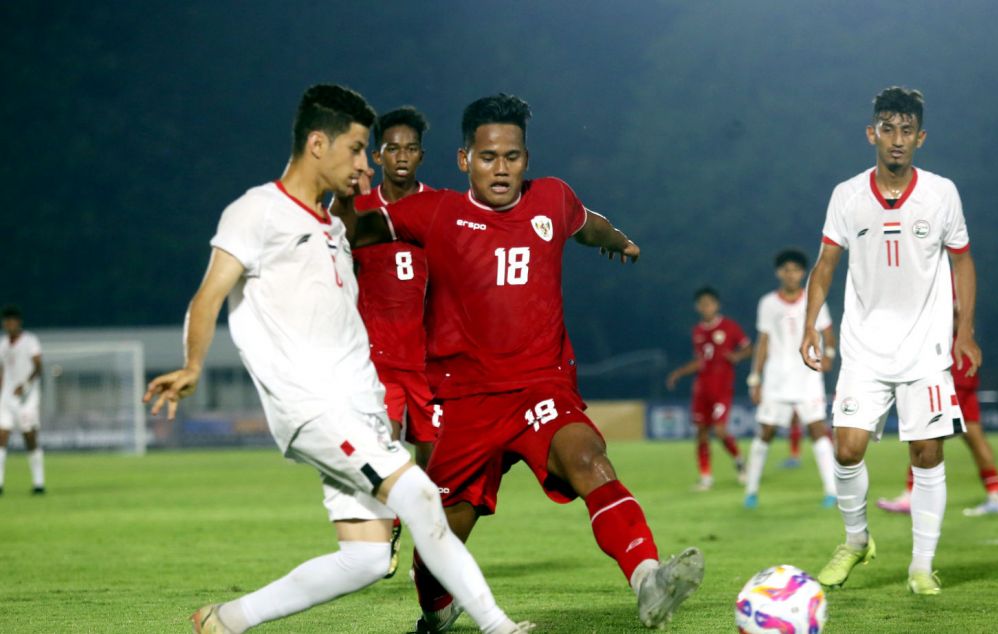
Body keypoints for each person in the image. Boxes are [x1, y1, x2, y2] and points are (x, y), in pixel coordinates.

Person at [144, 85, 529, 634]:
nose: (364, 165)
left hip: (359, 406)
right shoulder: (257, 211)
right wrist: (191, 365)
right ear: (317, 144)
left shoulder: (331, 229)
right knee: (420, 495)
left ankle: (225, 621)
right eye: (355, 150)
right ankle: (499, 627)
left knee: (366, 559)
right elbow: (207, 298)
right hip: (314, 406)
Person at [335, 93, 703, 632]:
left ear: (527, 159)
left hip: (541, 388)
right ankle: (437, 608)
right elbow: (356, 230)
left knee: (590, 459)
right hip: (465, 402)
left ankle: (647, 576)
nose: (500, 168)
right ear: (464, 160)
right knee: (440, 531)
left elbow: (588, 223)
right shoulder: (435, 213)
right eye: (488, 157)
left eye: (512, 156)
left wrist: (617, 239)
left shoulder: (552, 200)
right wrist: (339, 198)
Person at [800, 87, 980, 596]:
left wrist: (964, 330)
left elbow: (962, 260)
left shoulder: (942, 193)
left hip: (925, 349)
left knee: (926, 451)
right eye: (887, 128)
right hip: (864, 347)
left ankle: (921, 566)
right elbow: (826, 265)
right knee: (847, 447)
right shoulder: (847, 195)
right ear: (871, 133)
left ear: (920, 138)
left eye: (906, 131)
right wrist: (811, 322)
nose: (896, 140)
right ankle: (856, 541)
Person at [348, 106, 437, 579]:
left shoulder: (441, 207)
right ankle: (382, 535)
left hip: (431, 361)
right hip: (378, 360)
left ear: (421, 154)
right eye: (392, 148)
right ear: (378, 155)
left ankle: (422, 541)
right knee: (384, 453)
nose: (401, 156)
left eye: (410, 148)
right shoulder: (357, 210)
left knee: (437, 462)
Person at [877, 305, 998, 516]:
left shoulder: (949, 284)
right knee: (973, 437)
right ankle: (996, 494)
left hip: (953, 368)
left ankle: (912, 495)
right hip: (957, 367)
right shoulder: (949, 283)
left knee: (926, 434)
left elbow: (959, 318)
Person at [744, 249, 837, 509]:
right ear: (778, 273)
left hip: (807, 375)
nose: (791, 274)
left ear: (803, 273)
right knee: (767, 431)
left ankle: (831, 491)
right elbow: (762, 342)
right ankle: (751, 491)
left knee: (818, 429)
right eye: (786, 269)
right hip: (776, 378)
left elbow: (828, 334)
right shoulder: (768, 303)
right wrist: (755, 378)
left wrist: (828, 354)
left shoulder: (814, 300)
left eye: (795, 269)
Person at [665, 287, 752, 490]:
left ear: (717, 305)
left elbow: (749, 347)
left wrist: (738, 356)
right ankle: (706, 477)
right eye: (702, 304)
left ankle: (739, 461)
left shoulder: (730, 327)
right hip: (701, 389)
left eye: (709, 303)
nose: (706, 307)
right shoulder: (697, 331)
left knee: (720, 431)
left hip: (721, 388)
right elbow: (700, 361)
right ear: (697, 307)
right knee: (701, 433)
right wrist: (678, 373)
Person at [0, 305, 45, 496]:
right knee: (1, 438)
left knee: (30, 439)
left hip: (27, 399)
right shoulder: (2, 344)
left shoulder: (30, 341)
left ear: (18, 322)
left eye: (12, 321)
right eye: (6, 321)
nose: (9, 324)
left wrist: (24, 385)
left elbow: (38, 367)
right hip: (6, 398)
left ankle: (38, 483)